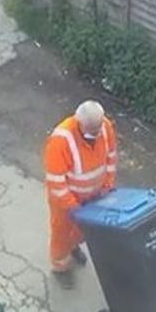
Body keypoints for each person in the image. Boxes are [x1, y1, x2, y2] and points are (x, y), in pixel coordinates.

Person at [43, 100, 118, 288]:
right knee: (61, 232)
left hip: (93, 196)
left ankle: (73, 247)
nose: (95, 134)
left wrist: (107, 185)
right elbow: (56, 182)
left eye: (97, 129)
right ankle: (60, 267)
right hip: (65, 200)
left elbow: (111, 157)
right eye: (91, 130)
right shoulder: (60, 140)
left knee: (81, 229)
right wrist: (73, 206)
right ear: (79, 122)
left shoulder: (105, 127)